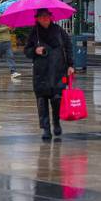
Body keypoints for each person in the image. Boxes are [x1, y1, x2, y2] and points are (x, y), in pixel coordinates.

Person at [24, 8, 75, 140]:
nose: (45, 19)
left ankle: (56, 123)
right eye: (42, 17)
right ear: (37, 19)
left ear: (51, 17)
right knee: (42, 101)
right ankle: (46, 129)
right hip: (40, 73)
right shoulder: (34, 33)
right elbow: (27, 51)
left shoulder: (59, 31)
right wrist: (36, 50)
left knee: (57, 98)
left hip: (58, 70)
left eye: (47, 16)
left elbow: (68, 47)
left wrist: (70, 65)